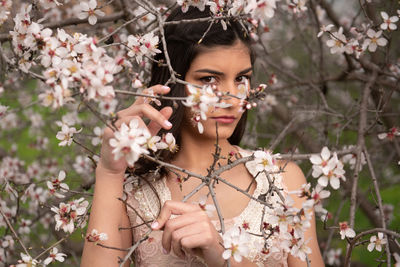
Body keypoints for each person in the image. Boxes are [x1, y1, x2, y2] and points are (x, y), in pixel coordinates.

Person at [81, 6, 325, 267]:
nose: (231, 98)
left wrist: (221, 255)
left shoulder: (283, 181)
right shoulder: (134, 194)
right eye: (209, 79)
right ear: (173, 82)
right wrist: (109, 173)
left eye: (241, 78)